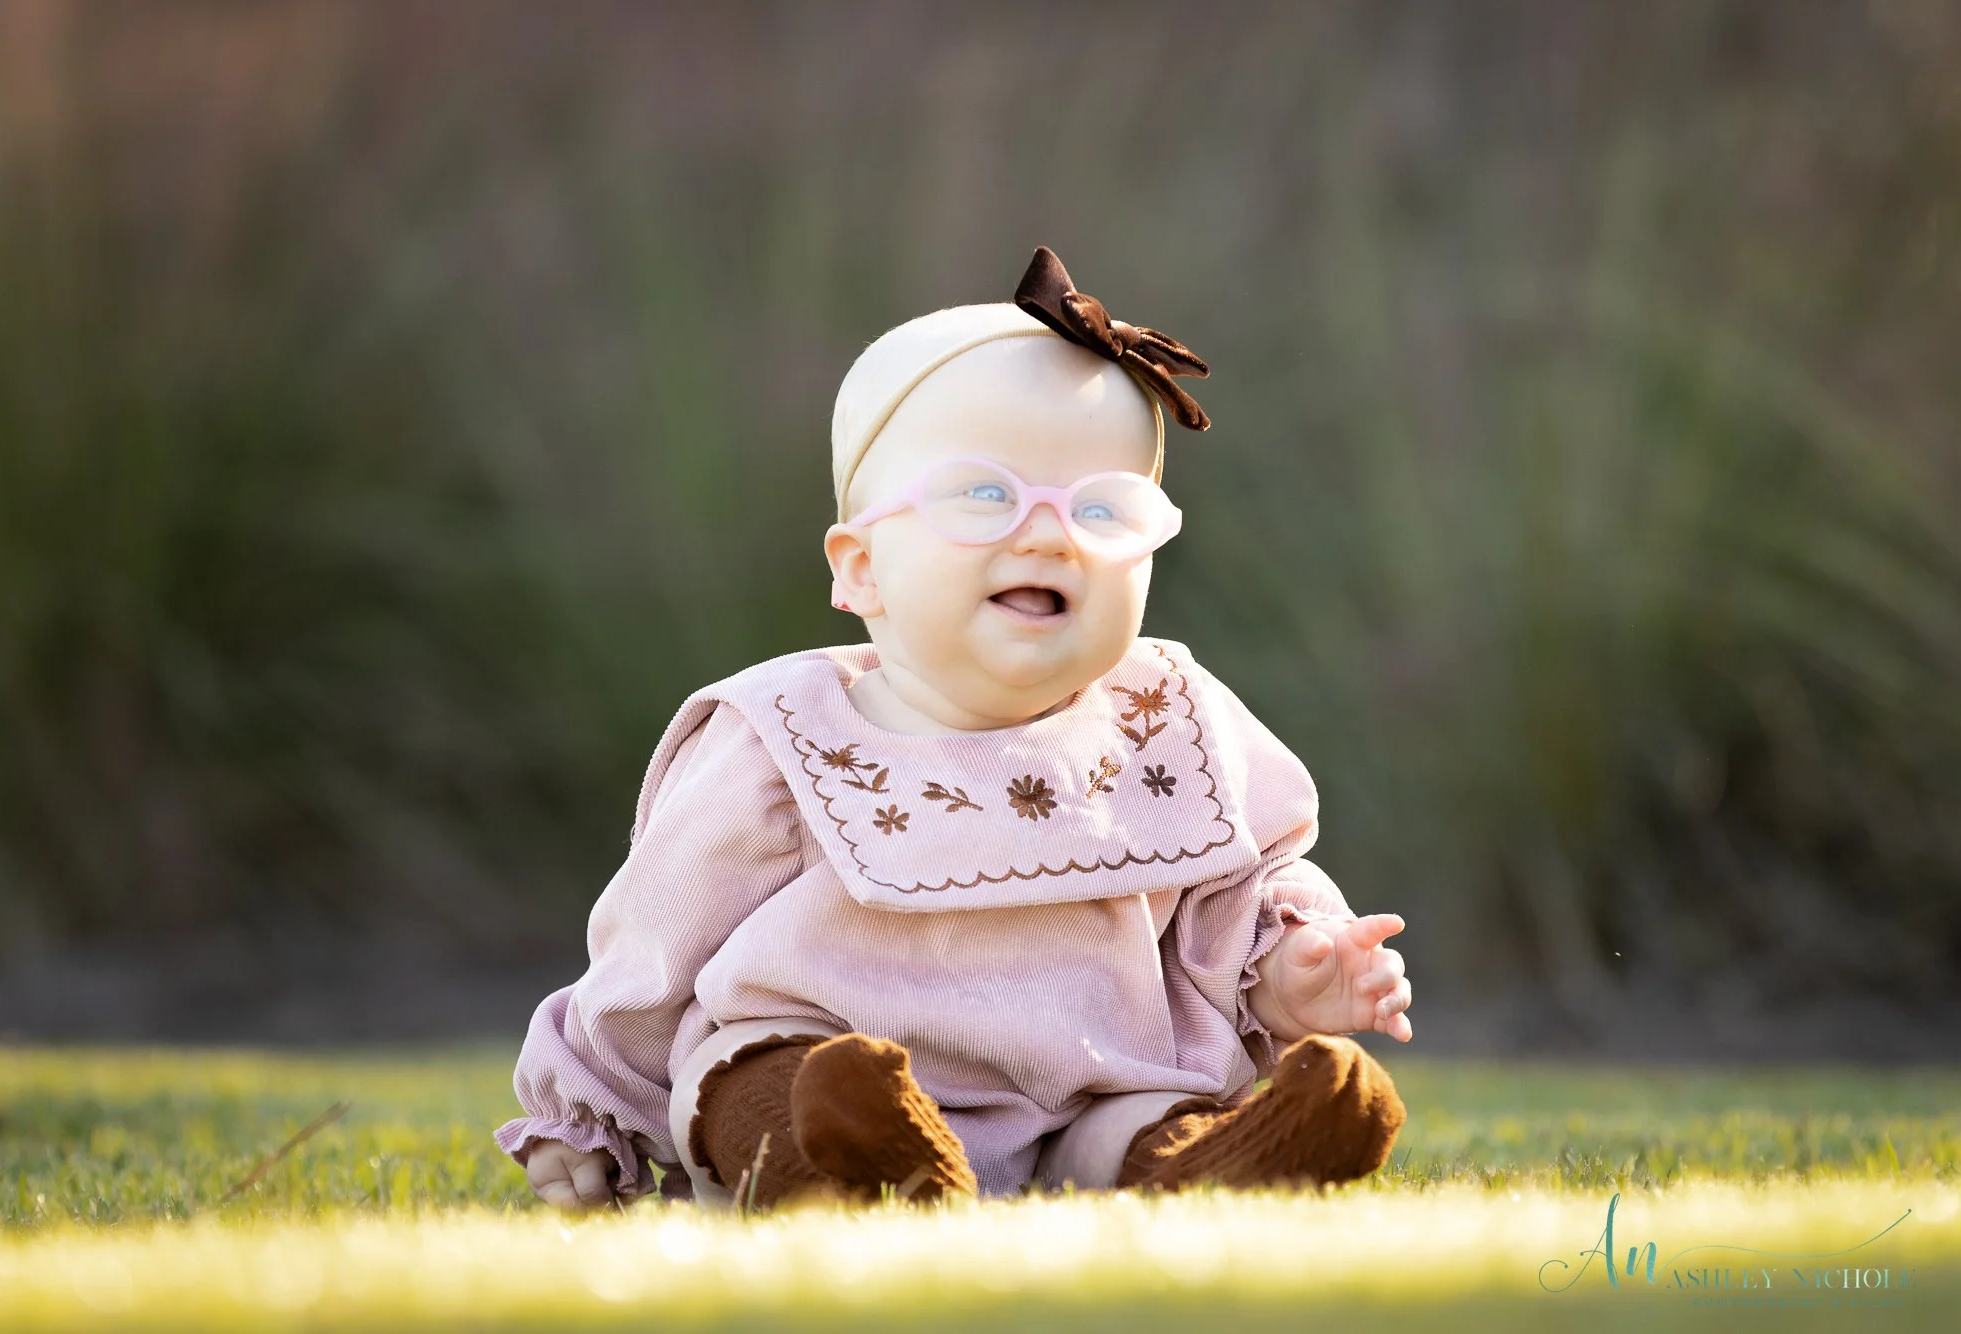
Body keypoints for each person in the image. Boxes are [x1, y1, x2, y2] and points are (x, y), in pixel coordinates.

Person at [496, 247, 1414, 1211]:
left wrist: (1294, 966)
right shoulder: (785, 740)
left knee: (1143, 1119)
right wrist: (585, 1112)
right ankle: (850, 1171)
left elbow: (1244, 885)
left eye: (1102, 507)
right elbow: (654, 951)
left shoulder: (1169, 722)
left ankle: (1212, 1167)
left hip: (1093, 1089)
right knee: (763, 1075)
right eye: (984, 497)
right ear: (860, 570)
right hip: (821, 1058)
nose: (1048, 535)